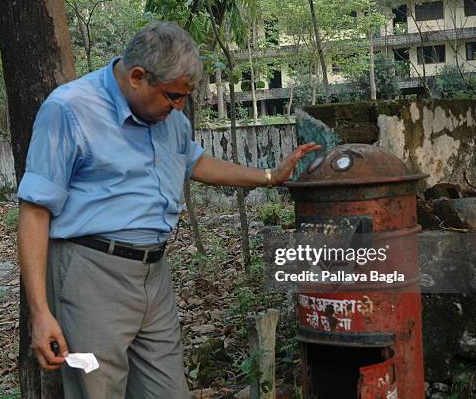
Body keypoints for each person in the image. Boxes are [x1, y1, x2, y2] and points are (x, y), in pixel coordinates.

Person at [17, 20, 321, 399]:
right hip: (90, 276)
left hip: (154, 275)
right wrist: (40, 312)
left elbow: (195, 163)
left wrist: (270, 176)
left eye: (184, 98)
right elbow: (34, 211)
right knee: (97, 389)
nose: (179, 107)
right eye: (173, 96)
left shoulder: (169, 119)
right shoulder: (69, 110)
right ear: (137, 77)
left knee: (168, 390)